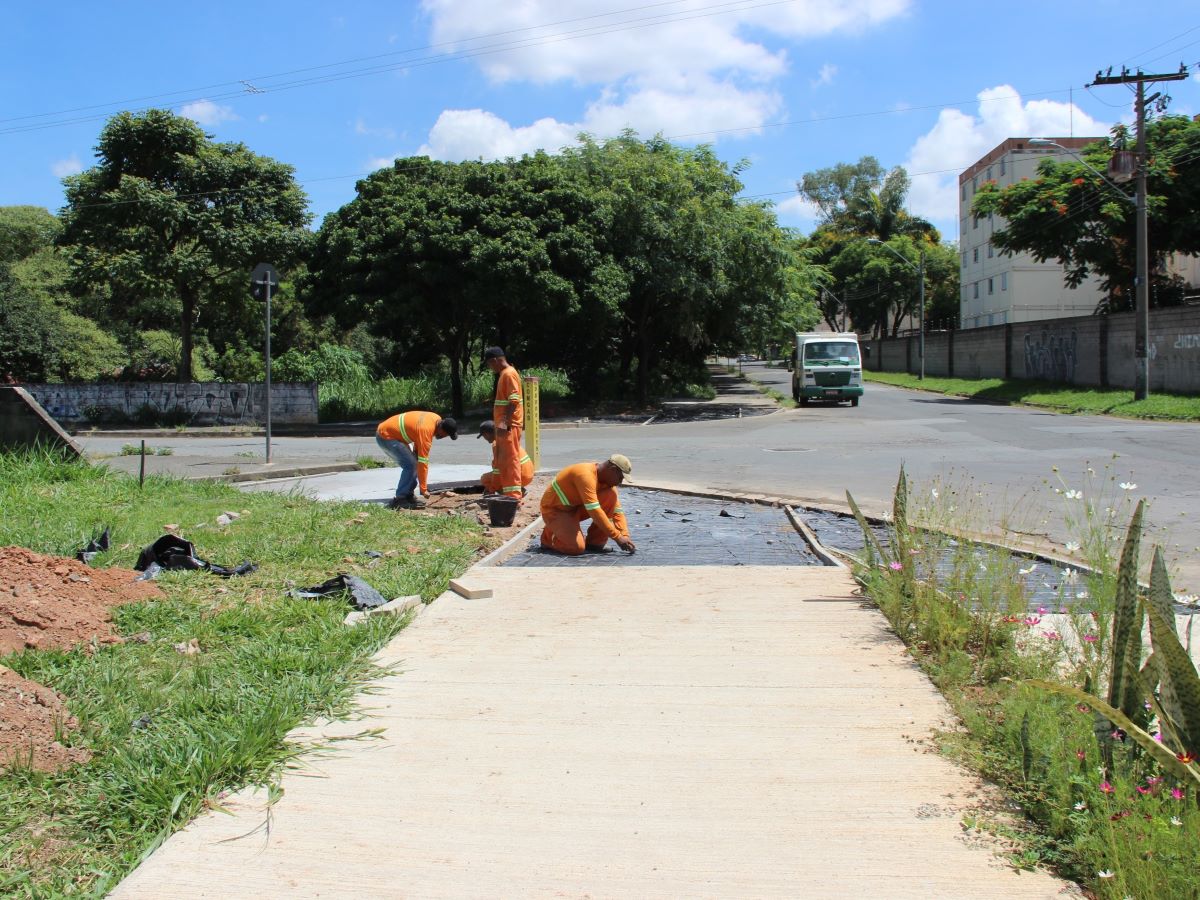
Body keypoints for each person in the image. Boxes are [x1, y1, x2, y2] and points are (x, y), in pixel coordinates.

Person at [539, 455, 636, 556]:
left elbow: (617, 511)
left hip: (575, 508)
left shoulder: (606, 483)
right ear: (612, 469)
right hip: (556, 511)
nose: (620, 482)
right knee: (576, 548)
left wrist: (625, 535)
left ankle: (595, 543)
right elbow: (594, 511)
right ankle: (548, 538)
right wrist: (617, 537)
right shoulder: (585, 475)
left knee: (611, 495)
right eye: (620, 477)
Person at [375, 411, 458, 509]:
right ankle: (400, 499)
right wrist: (423, 488)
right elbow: (423, 462)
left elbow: (417, 437)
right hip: (386, 436)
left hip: (392, 434)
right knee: (411, 465)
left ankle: (408, 495)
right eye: (446, 435)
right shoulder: (426, 430)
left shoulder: (436, 418)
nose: (444, 437)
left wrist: (416, 453)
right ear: (441, 429)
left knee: (413, 463)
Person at [483, 346, 524, 502]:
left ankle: (513, 496)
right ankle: (499, 489)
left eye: (489, 364)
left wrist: (504, 423)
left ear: (495, 360)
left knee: (510, 459)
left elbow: (513, 401)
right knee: (502, 459)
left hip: (509, 426)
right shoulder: (505, 374)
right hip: (506, 425)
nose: (490, 368)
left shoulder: (509, 374)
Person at [477, 420, 533, 494]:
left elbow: (497, 470)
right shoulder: (509, 436)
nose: (485, 438)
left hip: (519, 476)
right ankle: (518, 489)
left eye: (484, 436)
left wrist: (492, 488)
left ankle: (508, 493)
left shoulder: (497, 444)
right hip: (528, 474)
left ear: (486, 434)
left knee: (485, 479)